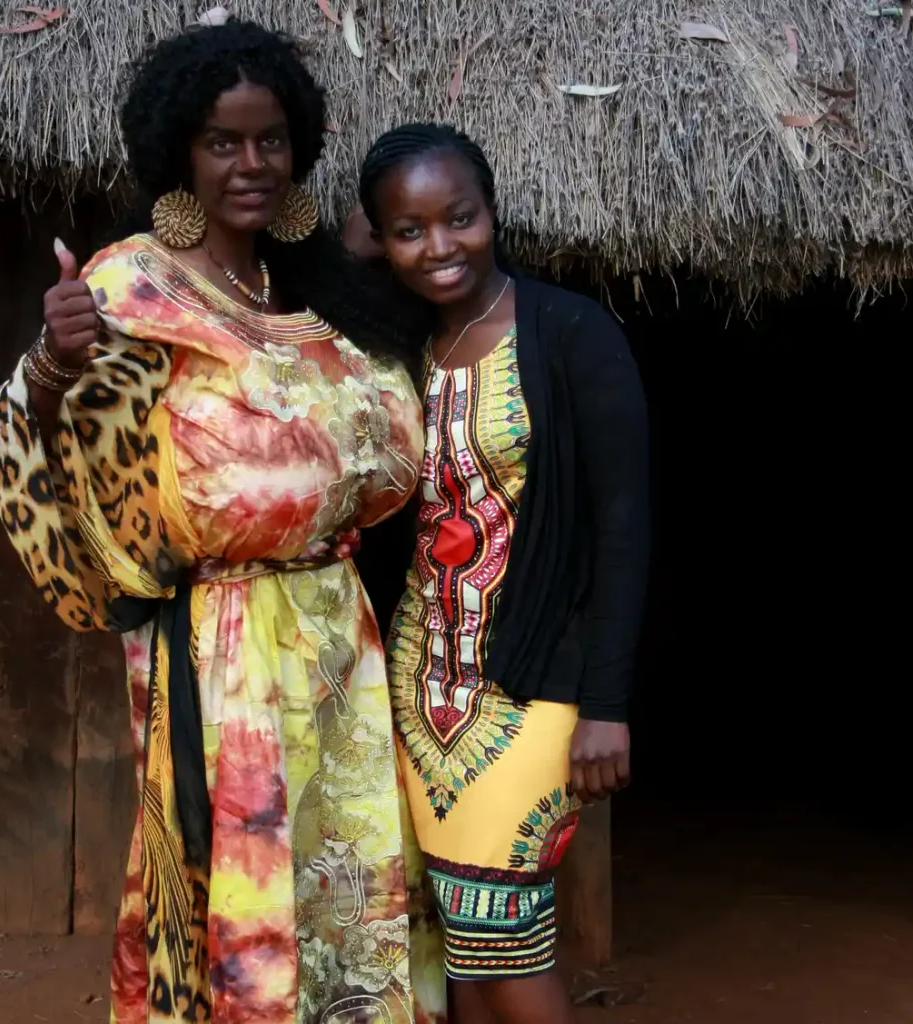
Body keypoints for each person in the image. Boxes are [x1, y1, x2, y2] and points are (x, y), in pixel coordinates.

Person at [0, 23, 446, 1024]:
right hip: (223, 648)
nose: (250, 164)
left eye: (269, 140)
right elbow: (20, 434)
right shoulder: (129, 286)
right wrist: (56, 366)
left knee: (346, 885)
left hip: (336, 635)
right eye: (222, 142)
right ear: (179, 152)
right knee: (241, 901)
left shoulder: (314, 281)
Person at [353, 124, 650, 1024]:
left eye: (460, 218)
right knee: (462, 949)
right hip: (417, 678)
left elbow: (624, 528)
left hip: (535, 684)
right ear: (380, 240)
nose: (439, 246)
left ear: (493, 213)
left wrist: (606, 705)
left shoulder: (570, 333)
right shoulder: (398, 343)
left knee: (505, 935)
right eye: (408, 230)